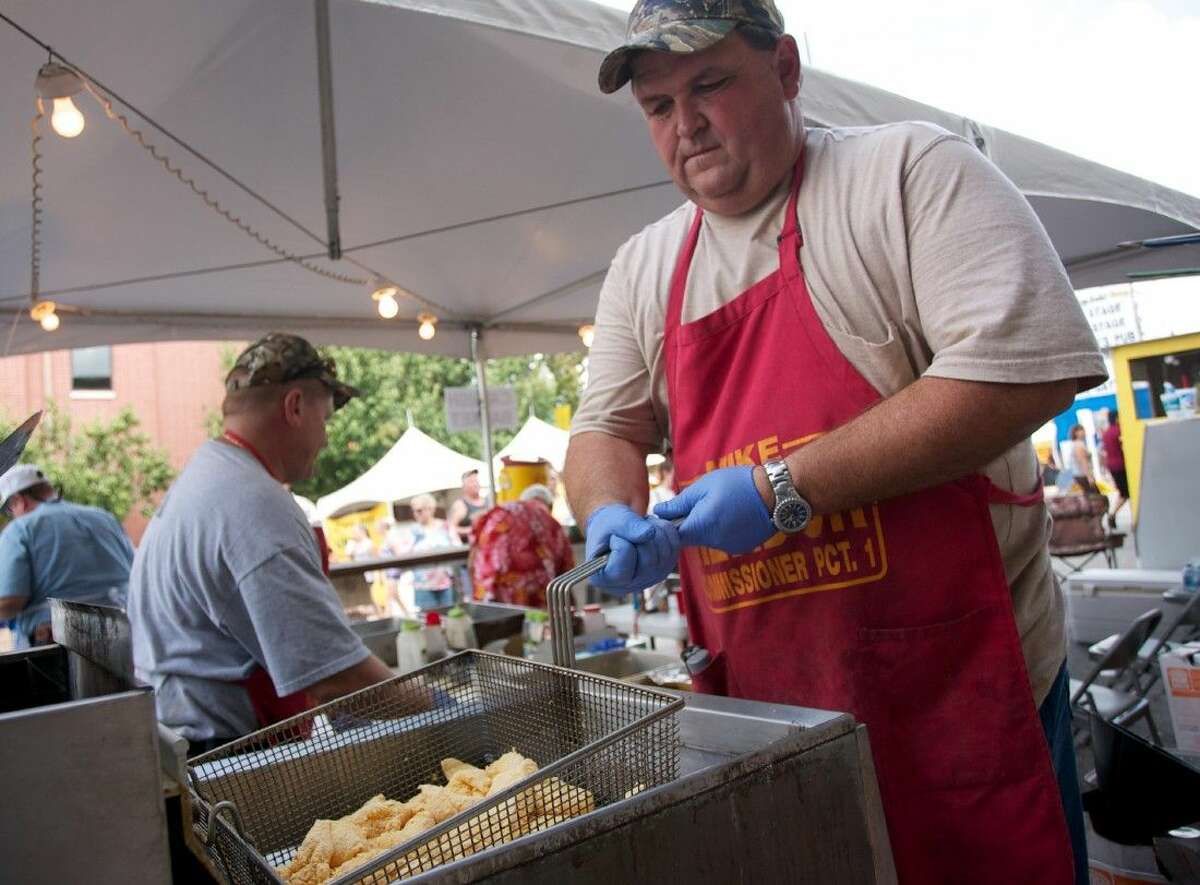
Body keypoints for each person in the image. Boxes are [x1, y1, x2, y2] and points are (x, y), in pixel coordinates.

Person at [563, 2, 1106, 881]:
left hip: (958, 692)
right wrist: (606, 510)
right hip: (770, 722)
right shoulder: (646, 265)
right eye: (658, 107)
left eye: (708, 85)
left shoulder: (906, 174)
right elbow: (606, 425)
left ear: (784, 70)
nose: (685, 123)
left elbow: (1021, 371)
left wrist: (786, 488)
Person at [128, 333, 396, 752]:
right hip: (229, 755)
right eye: (324, 419)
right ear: (294, 407)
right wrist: (438, 706)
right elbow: (336, 678)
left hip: (184, 736)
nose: (325, 438)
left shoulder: (208, 475)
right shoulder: (253, 503)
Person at [0, 464, 134, 648]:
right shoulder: (104, 518)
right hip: (126, 636)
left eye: (10, 509)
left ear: (19, 501)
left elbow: (10, 602)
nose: (12, 515)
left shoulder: (21, 530)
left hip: (58, 644)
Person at [471, 484, 574, 608]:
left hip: (490, 585)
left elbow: (474, 551)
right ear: (550, 506)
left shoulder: (499, 511)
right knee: (531, 624)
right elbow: (567, 573)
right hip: (531, 592)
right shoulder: (552, 524)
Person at [392, 494, 457, 610]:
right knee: (430, 620)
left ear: (431, 509)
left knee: (449, 616)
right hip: (423, 585)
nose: (416, 514)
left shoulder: (445, 526)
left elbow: (457, 547)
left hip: (446, 582)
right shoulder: (413, 531)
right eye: (414, 511)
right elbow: (402, 554)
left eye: (419, 511)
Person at [1100, 411, 1128, 528]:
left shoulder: (1106, 433)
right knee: (1126, 493)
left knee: (1123, 492)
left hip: (1112, 466)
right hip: (1121, 465)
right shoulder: (1119, 430)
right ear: (1117, 418)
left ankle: (1112, 514)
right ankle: (1112, 514)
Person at [447, 469, 487, 545]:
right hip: (470, 547)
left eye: (476, 481)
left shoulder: (488, 501)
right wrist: (471, 530)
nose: (475, 484)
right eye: (471, 482)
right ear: (464, 486)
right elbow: (451, 529)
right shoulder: (460, 505)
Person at [1068, 423, 1097, 495]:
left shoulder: (1076, 444)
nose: (1083, 432)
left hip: (1079, 474)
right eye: (1081, 430)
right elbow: (1082, 461)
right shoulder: (1079, 445)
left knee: (1088, 496)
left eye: (1083, 429)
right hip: (1082, 475)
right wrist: (1089, 476)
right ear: (1076, 433)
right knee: (1095, 496)